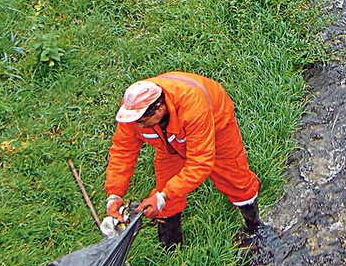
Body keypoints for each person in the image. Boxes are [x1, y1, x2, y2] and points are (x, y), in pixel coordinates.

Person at [102, 73, 260, 250]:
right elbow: (122, 151)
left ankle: (254, 226)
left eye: (142, 122)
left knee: (235, 178)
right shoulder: (134, 112)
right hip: (168, 143)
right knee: (165, 189)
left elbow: (200, 163)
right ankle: (171, 248)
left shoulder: (193, 106)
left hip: (217, 125)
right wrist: (114, 196)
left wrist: (162, 196)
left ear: (160, 108)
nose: (137, 127)